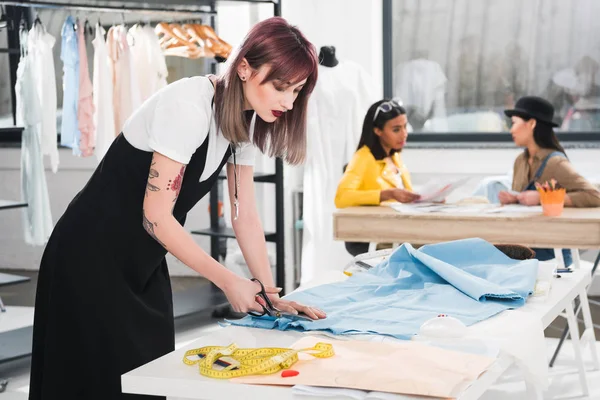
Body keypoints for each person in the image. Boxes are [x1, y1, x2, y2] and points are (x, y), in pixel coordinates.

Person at [29, 17, 326, 400]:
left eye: (297, 91)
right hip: (88, 257)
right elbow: (155, 217)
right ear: (244, 68)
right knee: (96, 384)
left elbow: (244, 214)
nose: (288, 101)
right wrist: (229, 281)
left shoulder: (248, 123)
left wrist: (266, 293)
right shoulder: (189, 106)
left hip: (143, 263)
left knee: (151, 380)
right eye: (280, 86)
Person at [499, 96, 600, 266]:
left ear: (531, 124)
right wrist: (515, 198)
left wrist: (542, 198)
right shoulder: (520, 161)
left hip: (551, 256)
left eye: (515, 123)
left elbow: (594, 195)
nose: (511, 130)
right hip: (523, 249)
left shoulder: (556, 163)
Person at [335, 99, 420, 255]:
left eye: (405, 127)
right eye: (396, 129)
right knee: (430, 247)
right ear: (377, 131)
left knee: (436, 242)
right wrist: (386, 194)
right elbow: (341, 198)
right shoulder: (363, 158)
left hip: (396, 228)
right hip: (373, 233)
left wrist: (428, 199)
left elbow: (405, 197)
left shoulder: (395, 157)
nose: (404, 134)